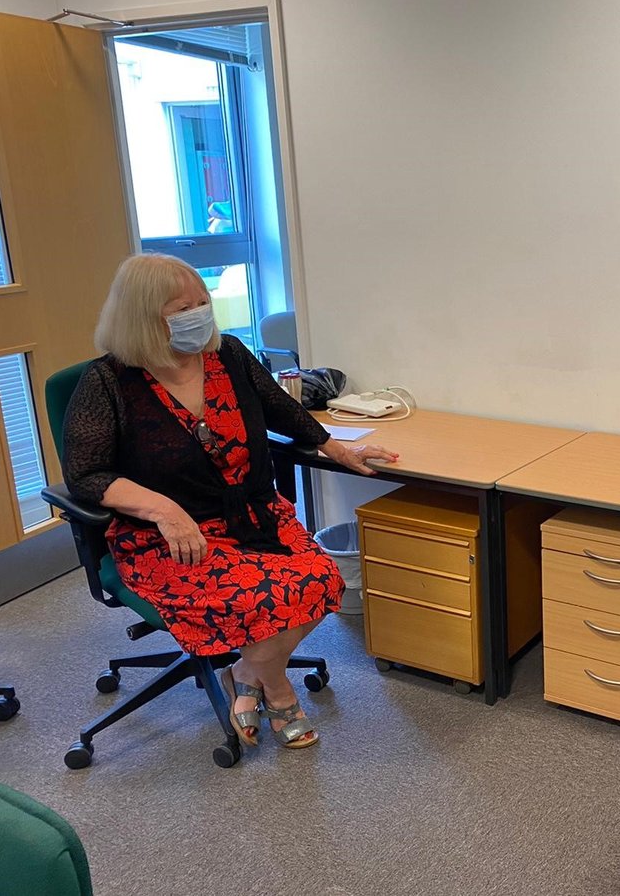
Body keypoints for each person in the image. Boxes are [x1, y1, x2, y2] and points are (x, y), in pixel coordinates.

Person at [63, 254, 398, 750]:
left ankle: (245, 671)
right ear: (142, 317)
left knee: (321, 581)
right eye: (182, 309)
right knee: (259, 597)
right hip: (170, 537)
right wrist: (165, 510)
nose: (198, 315)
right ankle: (279, 689)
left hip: (255, 515)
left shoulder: (230, 356)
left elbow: (284, 411)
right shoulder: (108, 383)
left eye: (203, 303)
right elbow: (86, 475)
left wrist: (340, 448)